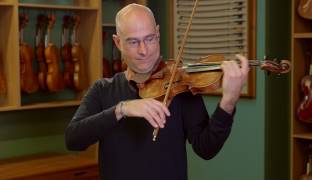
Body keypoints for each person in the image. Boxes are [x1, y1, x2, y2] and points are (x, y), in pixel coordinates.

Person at [65, 3, 249, 180]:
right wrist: (121, 109)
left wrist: (228, 102)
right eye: (133, 42)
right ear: (118, 42)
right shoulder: (103, 90)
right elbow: (73, 139)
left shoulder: (180, 90)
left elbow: (206, 149)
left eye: (149, 38)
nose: (144, 50)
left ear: (158, 34)